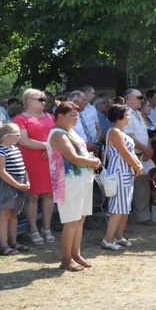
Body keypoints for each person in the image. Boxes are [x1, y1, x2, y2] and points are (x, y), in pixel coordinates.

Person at [47, 101, 102, 272]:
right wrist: (94, 161)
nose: (76, 118)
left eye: (77, 115)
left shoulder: (69, 132)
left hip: (82, 180)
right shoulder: (57, 134)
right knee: (71, 221)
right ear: (60, 116)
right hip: (68, 183)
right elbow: (74, 158)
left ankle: (76, 255)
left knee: (80, 219)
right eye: (72, 115)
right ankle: (66, 259)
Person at [13, 88, 56, 245]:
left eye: (44, 99)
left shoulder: (51, 117)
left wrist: (50, 148)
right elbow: (23, 141)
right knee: (32, 195)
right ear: (29, 101)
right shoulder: (20, 119)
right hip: (30, 160)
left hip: (49, 159)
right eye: (41, 99)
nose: (44, 102)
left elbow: (58, 136)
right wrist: (47, 146)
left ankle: (47, 228)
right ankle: (33, 229)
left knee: (49, 194)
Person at [101, 104, 144, 251]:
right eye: (126, 115)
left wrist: (138, 165)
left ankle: (119, 236)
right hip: (118, 172)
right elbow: (124, 153)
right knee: (118, 208)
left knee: (125, 207)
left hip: (126, 172)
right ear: (118, 117)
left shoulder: (121, 132)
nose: (129, 117)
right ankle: (108, 239)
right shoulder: (114, 132)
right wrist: (137, 166)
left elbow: (130, 153)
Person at [0, 123, 31, 256]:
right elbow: (2, 172)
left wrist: (27, 181)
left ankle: (13, 242)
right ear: (8, 136)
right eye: (17, 135)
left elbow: (24, 167)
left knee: (14, 214)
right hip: (7, 185)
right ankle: (3, 245)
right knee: (5, 214)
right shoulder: (0, 151)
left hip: (19, 184)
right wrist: (17, 185)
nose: (19, 137)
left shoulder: (16, 148)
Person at [123, 89, 154, 223]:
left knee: (143, 187)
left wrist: (148, 149)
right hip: (133, 155)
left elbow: (144, 134)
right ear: (130, 99)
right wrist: (145, 150)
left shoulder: (138, 114)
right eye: (139, 97)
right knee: (134, 187)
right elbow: (129, 138)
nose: (142, 100)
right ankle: (136, 217)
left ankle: (143, 216)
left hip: (143, 154)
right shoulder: (125, 114)